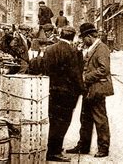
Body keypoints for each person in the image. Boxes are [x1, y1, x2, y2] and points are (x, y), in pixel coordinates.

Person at [29, 26, 84, 162]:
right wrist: (82, 89)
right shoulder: (73, 51)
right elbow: (75, 74)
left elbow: (44, 68)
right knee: (63, 122)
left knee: (53, 121)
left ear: (60, 35)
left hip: (52, 90)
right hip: (67, 93)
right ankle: (54, 151)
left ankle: (52, 148)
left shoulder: (50, 49)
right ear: (73, 37)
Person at [66, 23, 114, 158]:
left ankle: (103, 148)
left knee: (100, 119)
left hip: (97, 88)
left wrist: (85, 77)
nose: (82, 41)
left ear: (89, 36)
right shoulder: (93, 47)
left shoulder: (102, 48)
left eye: (83, 38)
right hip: (89, 89)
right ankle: (83, 146)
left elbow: (104, 69)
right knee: (85, 118)